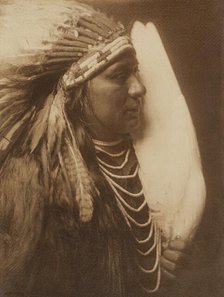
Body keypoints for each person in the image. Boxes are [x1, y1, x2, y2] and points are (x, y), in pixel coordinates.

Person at [0, 1, 189, 296]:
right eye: (118, 76)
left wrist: (177, 261)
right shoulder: (31, 181)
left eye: (136, 72)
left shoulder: (149, 159)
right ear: (75, 90)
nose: (139, 87)